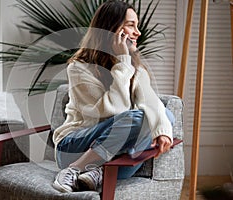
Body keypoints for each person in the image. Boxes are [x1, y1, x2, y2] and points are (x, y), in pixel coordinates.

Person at [52, 0, 174, 193]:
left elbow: (152, 103)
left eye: (137, 26)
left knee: (166, 116)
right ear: (111, 29)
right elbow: (114, 112)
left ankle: (97, 172)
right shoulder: (79, 68)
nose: (138, 33)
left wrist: (163, 131)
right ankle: (74, 169)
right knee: (137, 118)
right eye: (131, 25)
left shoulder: (137, 69)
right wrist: (123, 62)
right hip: (73, 146)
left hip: (112, 151)